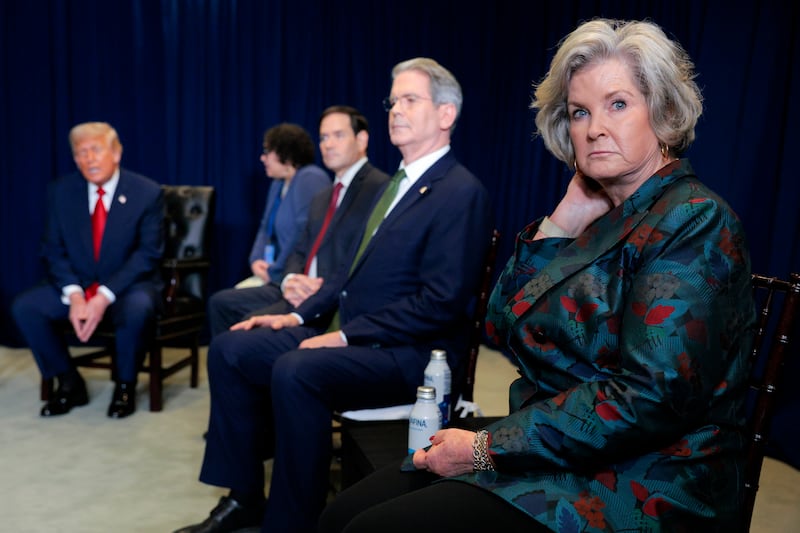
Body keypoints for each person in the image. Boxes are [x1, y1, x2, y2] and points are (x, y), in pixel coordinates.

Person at [319, 19, 756, 533]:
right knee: (340, 515)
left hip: (649, 479)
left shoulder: (692, 218)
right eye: (579, 112)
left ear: (661, 112)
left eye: (618, 104)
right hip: (561, 449)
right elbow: (500, 322)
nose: (594, 128)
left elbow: (650, 398)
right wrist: (563, 218)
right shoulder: (603, 217)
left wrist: (484, 448)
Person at [174, 57, 493, 533]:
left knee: (297, 370)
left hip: (410, 354)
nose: (395, 110)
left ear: (446, 115)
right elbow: (347, 272)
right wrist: (296, 317)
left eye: (410, 99)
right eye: (393, 100)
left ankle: (291, 522)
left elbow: (440, 302)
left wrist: (342, 338)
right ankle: (244, 497)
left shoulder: (460, 190)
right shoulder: (398, 185)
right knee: (231, 348)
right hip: (361, 335)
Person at [11, 121, 164, 419]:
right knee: (26, 307)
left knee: (138, 308)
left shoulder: (147, 192)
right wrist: (76, 295)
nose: (88, 159)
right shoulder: (61, 191)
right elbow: (52, 250)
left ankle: (124, 386)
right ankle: (69, 382)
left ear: (116, 153)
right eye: (81, 153)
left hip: (128, 284)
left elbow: (148, 254)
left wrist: (103, 296)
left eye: (96, 150)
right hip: (78, 283)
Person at [207, 106, 390, 336]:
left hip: (324, 297)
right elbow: (296, 244)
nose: (328, 144)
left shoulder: (372, 188)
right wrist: (285, 276)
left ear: (361, 139)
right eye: (323, 137)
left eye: (338, 135)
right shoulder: (320, 195)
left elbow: (349, 258)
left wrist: (283, 277)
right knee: (225, 311)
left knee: (243, 331)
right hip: (294, 286)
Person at [234, 123, 330, 289]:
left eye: (267, 152)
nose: (262, 158)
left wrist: (274, 272)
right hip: (275, 275)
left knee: (224, 302)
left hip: (296, 278)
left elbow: (302, 236)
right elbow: (265, 227)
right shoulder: (277, 184)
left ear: (285, 153)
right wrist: (256, 260)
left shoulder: (310, 178)